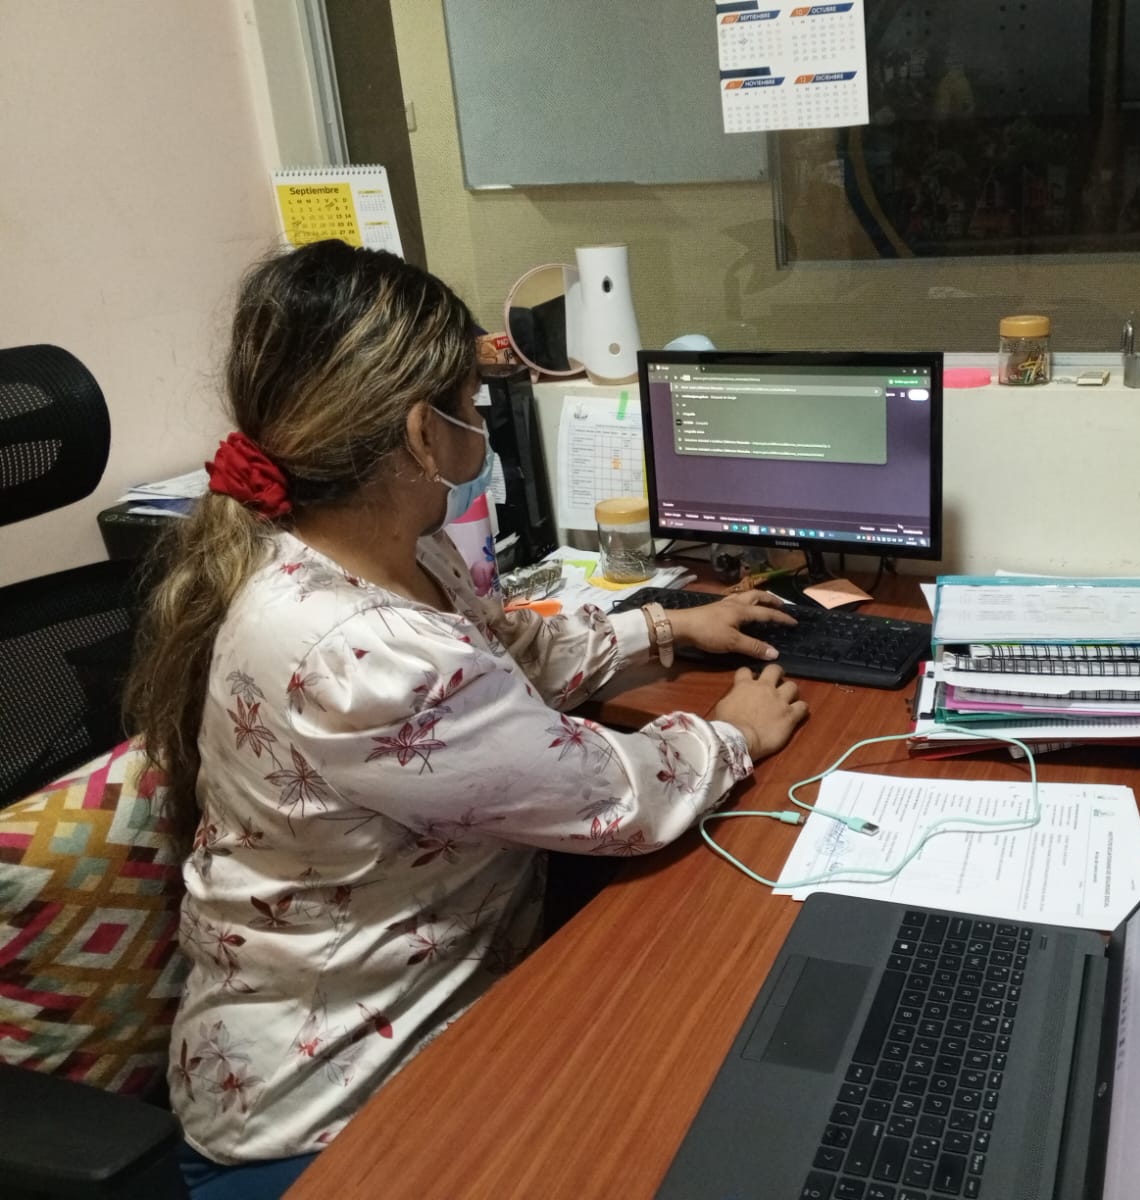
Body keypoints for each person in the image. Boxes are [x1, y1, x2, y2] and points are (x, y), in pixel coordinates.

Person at [124, 240, 808, 1197]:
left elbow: (503, 655)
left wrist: (666, 627)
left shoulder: (374, 549)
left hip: (407, 997)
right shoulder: (355, 649)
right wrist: (733, 732)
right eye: (471, 403)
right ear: (421, 433)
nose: (480, 424)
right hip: (326, 1106)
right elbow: (608, 797)